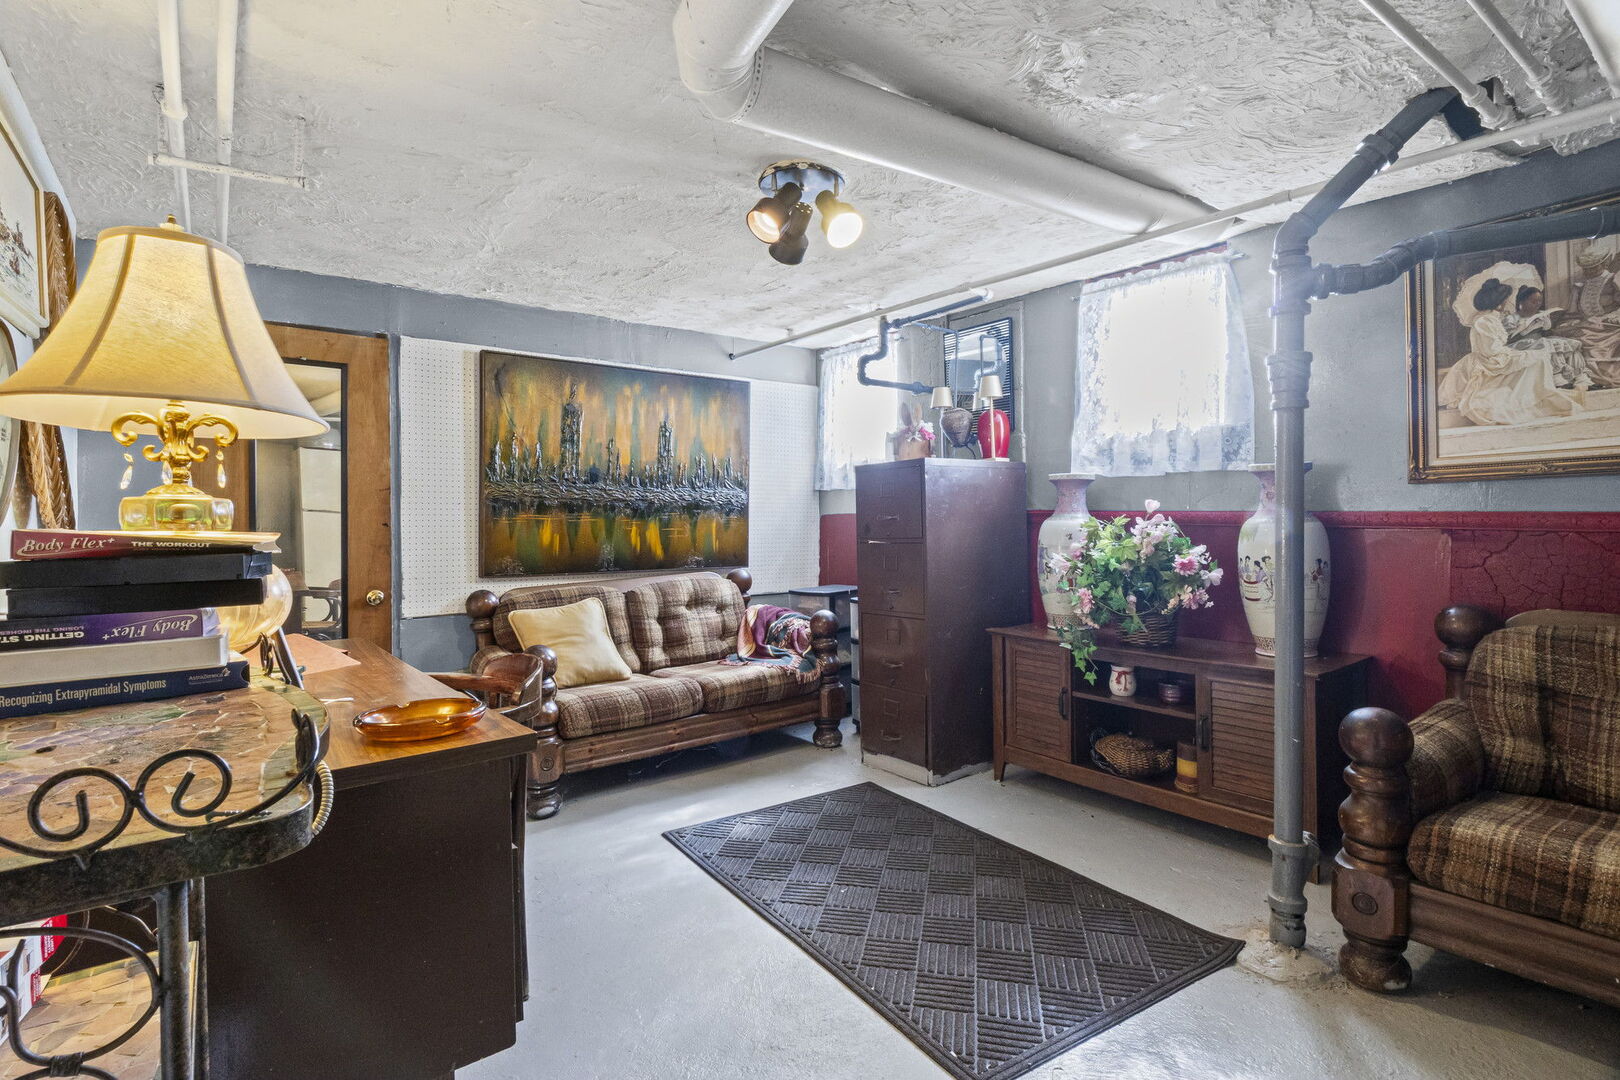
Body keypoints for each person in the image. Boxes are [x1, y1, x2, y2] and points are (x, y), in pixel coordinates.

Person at [1438, 278, 1580, 426]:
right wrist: (1513, 352)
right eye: (1505, 300)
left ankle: (1536, 396)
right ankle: (1526, 399)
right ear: (1498, 302)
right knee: (1536, 359)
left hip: (1496, 356)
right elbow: (1490, 350)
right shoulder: (1483, 321)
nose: (1507, 302)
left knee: (1539, 357)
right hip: (1489, 361)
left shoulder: (1493, 318)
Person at [1507, 286, 1589, 390]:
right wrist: (1526, 330)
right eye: (1533, 301)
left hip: (1539, 340)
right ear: (1522, 302)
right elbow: (1506, 339)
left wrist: (1546, 325)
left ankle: (1579, 378)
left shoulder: (1541, 314)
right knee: (1547, 344)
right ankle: (1558, 379)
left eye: (1539, 301)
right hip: (1521, 343)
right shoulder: (1512, 318)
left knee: (1570, 343)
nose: (1537, 304)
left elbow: (1547, 333)